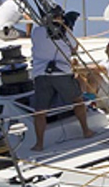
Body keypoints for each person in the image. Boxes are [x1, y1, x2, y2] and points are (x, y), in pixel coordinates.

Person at [30, 8, 94, 151]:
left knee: (40, 111)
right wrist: (67, 27)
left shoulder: (36, 31)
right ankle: (86, 131)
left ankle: (39, 144)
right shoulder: (65, 31)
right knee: (78, 100)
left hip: (41, 74)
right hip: (61, 73)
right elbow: (74, 48)